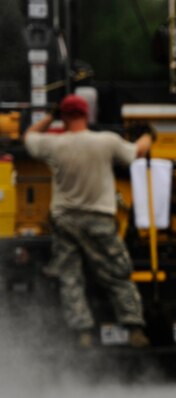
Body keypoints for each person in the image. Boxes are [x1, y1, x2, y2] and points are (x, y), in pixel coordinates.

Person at [24, 94, 152, 348]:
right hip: (99, 219)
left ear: (64, 117)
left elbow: (28, 138)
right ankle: (134, 327)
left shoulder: (54, 145)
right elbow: (137, 152)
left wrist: (49, 116)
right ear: (87, 114)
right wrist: (148, 134)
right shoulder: (105, 142)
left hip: (65, 220)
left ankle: (83, 333)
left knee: (71, 277)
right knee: (117, 273)